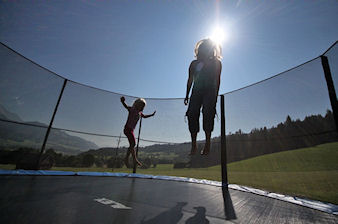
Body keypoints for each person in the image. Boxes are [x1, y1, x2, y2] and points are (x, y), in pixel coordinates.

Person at [184, 38, 222, 155]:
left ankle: (207, 144)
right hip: (197, 91)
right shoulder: (194, 64)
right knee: (192, 113)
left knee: (208, 113)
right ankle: (194, 145)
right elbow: (190, 79)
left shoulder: (216, 63)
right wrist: (187, 95)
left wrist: (215, 95)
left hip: (210, 91)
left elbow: (217, 80)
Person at [121, 96, 156, 167]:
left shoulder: (140, 113)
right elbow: (126, 106)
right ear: (137, 104)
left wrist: (151, 115)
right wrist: (123, 102)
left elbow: (144, 116)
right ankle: (127, 158)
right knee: (133, 143)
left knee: (132, 145)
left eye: (143, 107)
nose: (142, 108)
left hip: (131, 130)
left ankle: (134, 159)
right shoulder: (132, 109)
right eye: (141, 106)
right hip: (127, 129)